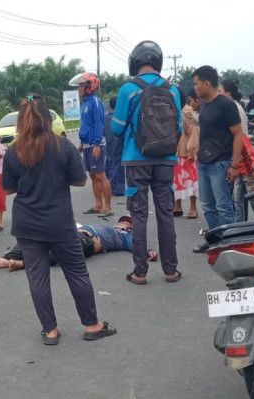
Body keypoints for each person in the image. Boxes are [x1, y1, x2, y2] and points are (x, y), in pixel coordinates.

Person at [2, 93, 115, 345]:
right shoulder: (62, 146)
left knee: (37, 276)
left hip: (27, 224)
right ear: (48, 119)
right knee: (76, 272)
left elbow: (8, 189)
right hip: (59, 222)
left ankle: (50, 330)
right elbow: (80, 180)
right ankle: (92, 325)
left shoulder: (13, 151)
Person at [111, 40, 182, 284]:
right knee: (165, 214)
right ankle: (170, 270)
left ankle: (140, 272)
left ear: (135, 61)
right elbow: (179, 128)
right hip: (166, 161)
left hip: (136, 161)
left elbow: (116, 129)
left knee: (139, 216)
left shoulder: (127, 90)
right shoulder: (172, 90)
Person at [191, 65, 242, 253]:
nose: (195, 88)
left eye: (197, 84)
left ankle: (230, 243)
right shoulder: (204, 104)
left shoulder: (227, 105)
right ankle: (214, 239)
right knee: (207, 205)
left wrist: (234, 164)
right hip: (203, 161)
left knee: (224, 206)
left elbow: (238, 135)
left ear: (206, 83)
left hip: (221, 163)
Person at [0, 216, 158, 270]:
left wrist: (148, 250)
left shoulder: (124, 236)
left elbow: (135, 244)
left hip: (88, 242)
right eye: (122, 221)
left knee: (59, 254)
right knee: (35, 241)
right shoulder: (106, 226)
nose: (123, 223)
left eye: (127, 223)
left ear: (130, 227)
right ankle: (6, 259)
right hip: (75, 233)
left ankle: (20, 263)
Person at [219, 79, 254, 222]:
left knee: (253, 200)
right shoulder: (232, 107)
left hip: (246, 165)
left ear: (227, 93)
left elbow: (245, 143)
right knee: (238, 199)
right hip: (239, 165)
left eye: (220, 92)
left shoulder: (232, 109)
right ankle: (240, 226)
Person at [70, 72, 112, 217]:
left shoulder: (95, 102)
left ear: (90, 86)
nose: (79, 88)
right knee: (93, 175)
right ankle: (98, 205)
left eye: (82, 85)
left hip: (96, 143)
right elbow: (87, 125)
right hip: (87, 143)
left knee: (101, 174)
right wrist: (82, 143)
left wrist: (96, 145)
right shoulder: (86, 103)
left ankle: (108, 207)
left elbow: (99, 125)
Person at [174, 88, 200, 219]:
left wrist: (191, 151)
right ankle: (177, 206)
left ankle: (193, 207)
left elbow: (194, 133)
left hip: (187, 152)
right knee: (176, 182)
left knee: (191, 181)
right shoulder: (174, 110)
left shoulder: (189, 111)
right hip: (175, 152)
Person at [104, 97, 125, 196]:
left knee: (109, 164)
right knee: (118, 167)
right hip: (119, 144)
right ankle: (117, 189)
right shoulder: (120, 118)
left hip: (108, 144)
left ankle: (107, 186)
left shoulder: (105, 117)